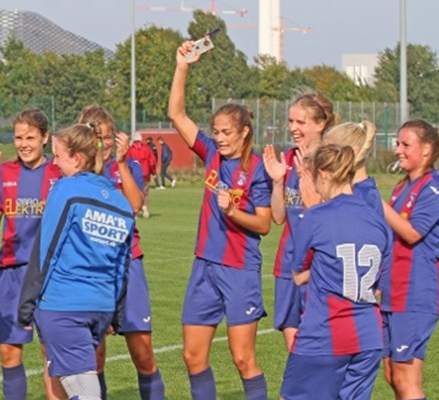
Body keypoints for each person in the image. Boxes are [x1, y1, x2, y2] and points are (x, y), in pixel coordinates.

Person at [168, 39, 272, 400]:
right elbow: (176, 115)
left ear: (244, 132)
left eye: (227, 132)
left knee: (243, 359)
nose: (220, 138)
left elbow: (264, 224)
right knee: (192, 357)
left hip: (239, 269)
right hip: (204, 266)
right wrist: (182, 66)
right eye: (217, 132)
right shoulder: (211, 154)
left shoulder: (257, 169)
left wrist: (232, 211)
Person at [18, 122, 135, 400]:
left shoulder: (66, 190)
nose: (54, 162)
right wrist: (117, 313)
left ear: (78, 159)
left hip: (64, 307)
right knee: (73, 384)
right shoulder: (121, 202)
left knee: (84, 392)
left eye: (58, 155)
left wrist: (26, 303)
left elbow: (46, 250)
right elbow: (122, 266)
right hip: (100, 308)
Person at [279, 144, 391, 400]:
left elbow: (298, 275)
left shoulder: (315, 217)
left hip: (325, 333)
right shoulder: (378, 220)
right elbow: (378, 286)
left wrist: (311, 210)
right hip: (369, 337)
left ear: (323, 174)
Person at [78, 104, 165, 400]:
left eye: (106, 137)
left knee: (143, 354)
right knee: (94, 357)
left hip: (128, 264)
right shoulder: (75, 173)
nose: (102, 143)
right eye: (96, 137)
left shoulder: (125, 166)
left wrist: (123, 162)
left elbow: (135, 205)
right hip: (91, 271)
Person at [0, 108, 62, 400]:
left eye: (30, 138)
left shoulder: (59, 173)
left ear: (45, 138)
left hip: (50, 275)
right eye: (18, 138)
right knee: (9, 351)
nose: (24, 144)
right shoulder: (5, 173)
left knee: (50, 351)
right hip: (12, 272)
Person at [380, 119, 439, 400]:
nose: (398, 150)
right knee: (392, 375)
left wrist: (376, 201)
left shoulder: (434, 187)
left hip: (415, 293)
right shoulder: (401, 187)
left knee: (406, 379)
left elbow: (411, 233)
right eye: (398, 143)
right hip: (392, 291)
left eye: (405, 144)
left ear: (426, 150)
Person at [262, 92, 336, 349]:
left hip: (321, 263)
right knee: (292, 336)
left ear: (321, 124)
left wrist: (313, 181)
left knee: (322, 338)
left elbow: (336, 215)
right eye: (291, 121)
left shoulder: (332, 161)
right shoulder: (288, 159)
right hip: (288, 262)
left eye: (300, 122)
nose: (293, 128)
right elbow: (278, 217)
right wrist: (277, 182)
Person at [321, 121, 381, 214]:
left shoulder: (363, 195)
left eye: (330, 152)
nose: (323, 159)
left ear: (353, 152)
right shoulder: (359, 190)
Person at [126, 131, 156, 218]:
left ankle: (136, 213)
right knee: (145, 192)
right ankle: (145, 207)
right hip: (145, 173)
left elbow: (127, 162)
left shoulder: (130, 150)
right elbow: (152, 162)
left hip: (134, 175)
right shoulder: (147, 149)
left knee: (134, 193)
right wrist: (153, 172)